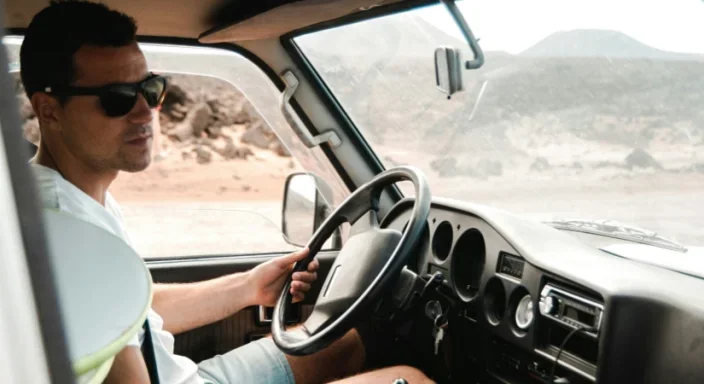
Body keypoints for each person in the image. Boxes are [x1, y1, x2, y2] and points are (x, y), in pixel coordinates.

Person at [21, 1, 433, 383]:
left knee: (347, 345)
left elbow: (131, 312)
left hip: (180, 373)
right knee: (411, 379)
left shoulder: (71, 198)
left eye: (150, 89)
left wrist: (249, 286)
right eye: (117, 98)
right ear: (49, 110)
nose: (146, 112)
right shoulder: (66, 237)